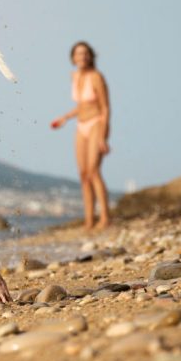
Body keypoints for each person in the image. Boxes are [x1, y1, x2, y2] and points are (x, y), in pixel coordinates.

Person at [51, 41, 111, 230]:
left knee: (94, 171)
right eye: (78, 54)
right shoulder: (74, 76)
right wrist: (65, 117)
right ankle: (89, 220)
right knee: (83, 175)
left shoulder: (97, 77)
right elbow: (82, 105)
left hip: (96, 124)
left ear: (91, 56)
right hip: (80, 125)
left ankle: (105, 218)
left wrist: (103, 136)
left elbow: (105, 108)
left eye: (85, 53)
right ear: (73, 58)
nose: (82, 57)